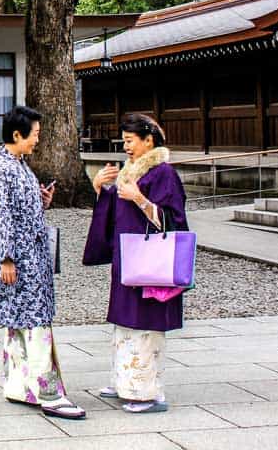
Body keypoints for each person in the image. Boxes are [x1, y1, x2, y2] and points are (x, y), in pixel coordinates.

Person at [0, 105, 86, 420]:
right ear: (17, 134)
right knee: (34, 320)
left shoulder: (17, 165)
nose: (38, 140)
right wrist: (6, 258)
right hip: (20, 259)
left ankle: (20, 385)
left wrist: (39, 201)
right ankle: (48, 392)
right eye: (35, 134)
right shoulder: (2, 168)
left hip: (29, 256)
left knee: (20, 321)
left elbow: (14, 210)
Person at [83, 113, 188, 413]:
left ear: (148, 140)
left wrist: (140, 199)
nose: (126, 147)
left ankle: (148, 393)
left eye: (130, 141)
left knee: (145, 323)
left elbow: (175, 220)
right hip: (128, 257)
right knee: (125, 322)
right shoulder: (132, 171)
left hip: (149, 262)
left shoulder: (163, 172)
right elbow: (115, 210)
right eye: (124, 141)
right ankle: (124, 381)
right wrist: (101, 189)